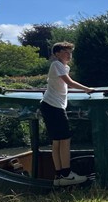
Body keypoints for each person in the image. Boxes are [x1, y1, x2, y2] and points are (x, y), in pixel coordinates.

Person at [39, 42, 95, 186]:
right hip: (54, 107)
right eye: (65, 52)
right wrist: (87, 89)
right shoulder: (56, 65)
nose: (69, 55)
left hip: (50, 106)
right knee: (65, 140)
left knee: (57, 142)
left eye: (70, 53)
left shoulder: (64, 67)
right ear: (57, 54)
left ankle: (59, 176)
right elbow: (68, 82)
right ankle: (67, 174)